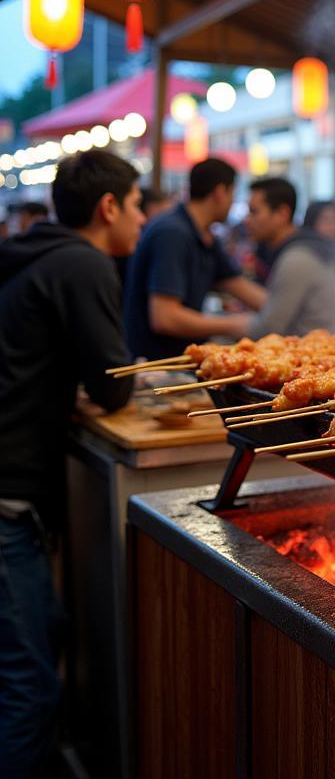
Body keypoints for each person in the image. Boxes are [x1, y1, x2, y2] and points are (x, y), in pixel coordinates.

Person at [0, 150, 144, 777]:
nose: (142, 220)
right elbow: (113, 385)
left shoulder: (31, 251)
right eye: (137, 205)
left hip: (12, 490)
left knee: (41, 640)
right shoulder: (83, 262)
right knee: (30, 686)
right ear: (108, 207)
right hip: (7, 495)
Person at [123, 157, 266, 359]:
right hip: (155, 368)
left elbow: (239, 286)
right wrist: (238, 324)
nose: (234, 202)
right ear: (220, 192)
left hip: (183, 362)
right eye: (233, 193)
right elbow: (165, 318)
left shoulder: (205, 236)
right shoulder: (172, 233)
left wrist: (283, 311)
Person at [244, 178, 335, 336]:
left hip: (317, 356)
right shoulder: (298, 249)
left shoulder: (298, 258)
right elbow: (275, 304)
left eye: (254, 212)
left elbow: (267, 329)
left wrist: (205, 323)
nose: (247, 220)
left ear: (282, 214)